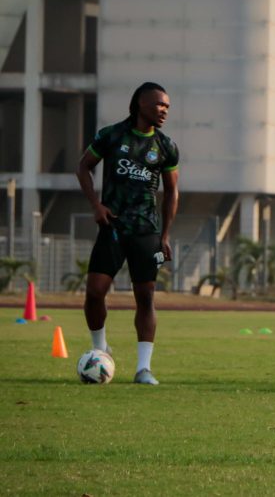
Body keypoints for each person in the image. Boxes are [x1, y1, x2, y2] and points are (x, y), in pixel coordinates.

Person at [76, 82, 179, 385]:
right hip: (113, 228)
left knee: (145, 297)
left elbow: (172, 192)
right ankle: (100, 351)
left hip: (146, 231)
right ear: (141, 104)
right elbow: (83, 167)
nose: (164, 110)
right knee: (95, 292)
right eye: (160, 104)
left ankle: (143, 368)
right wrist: (96, 205)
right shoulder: (111, 136)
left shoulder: (166, 146)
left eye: (167, 107)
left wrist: (166, 234)